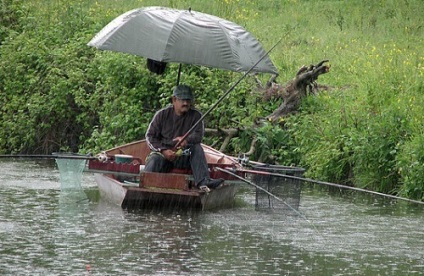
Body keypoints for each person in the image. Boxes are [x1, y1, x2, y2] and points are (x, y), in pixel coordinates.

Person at [145, 84, 224, 191]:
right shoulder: (161, 115)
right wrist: (163, 151)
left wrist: (186, 140)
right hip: (163, 156)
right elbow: (150, 137)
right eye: (182, 100)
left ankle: (203, 182)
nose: (186, 103)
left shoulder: (196, 115)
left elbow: (198, 135)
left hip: (183, 155)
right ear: (174, 100)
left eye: (188, 100)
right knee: (154, 160)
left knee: (197, 148)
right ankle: (146, 186)